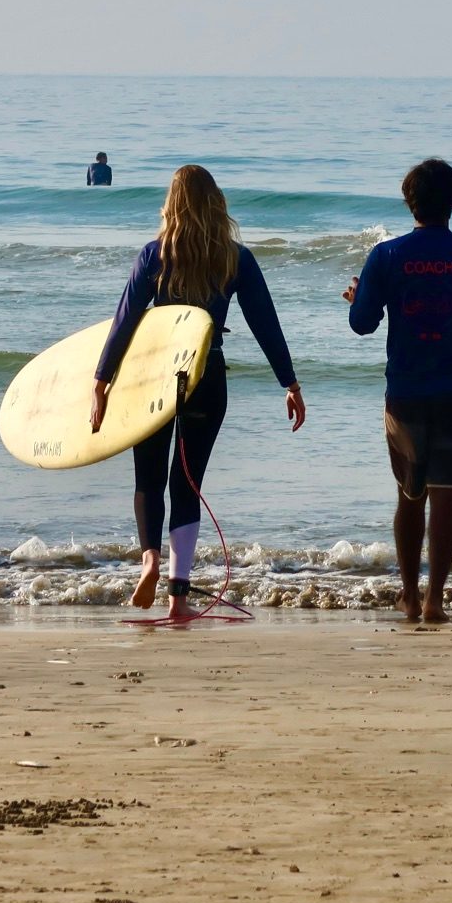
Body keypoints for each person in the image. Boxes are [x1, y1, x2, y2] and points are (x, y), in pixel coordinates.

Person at [93, 164, 305, 620]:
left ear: (172, 205)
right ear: (216, 204)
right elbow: (265, 323)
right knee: (187, 485)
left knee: (148, 479)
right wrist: (289, 383)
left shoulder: (154, 256)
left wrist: (101, 382)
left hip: (151, 379)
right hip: (206, 379)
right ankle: (178, 600)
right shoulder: (235, 259)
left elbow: (124, 322)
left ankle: (149, 559)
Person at [346, 159, 452, 623]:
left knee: (408, 493)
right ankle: (436, 598)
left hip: (406, 390)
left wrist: (358, 296)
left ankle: (409, 596)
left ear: (409, 202)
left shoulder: (386, 255)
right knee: (448, 495)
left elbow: (362, 324)